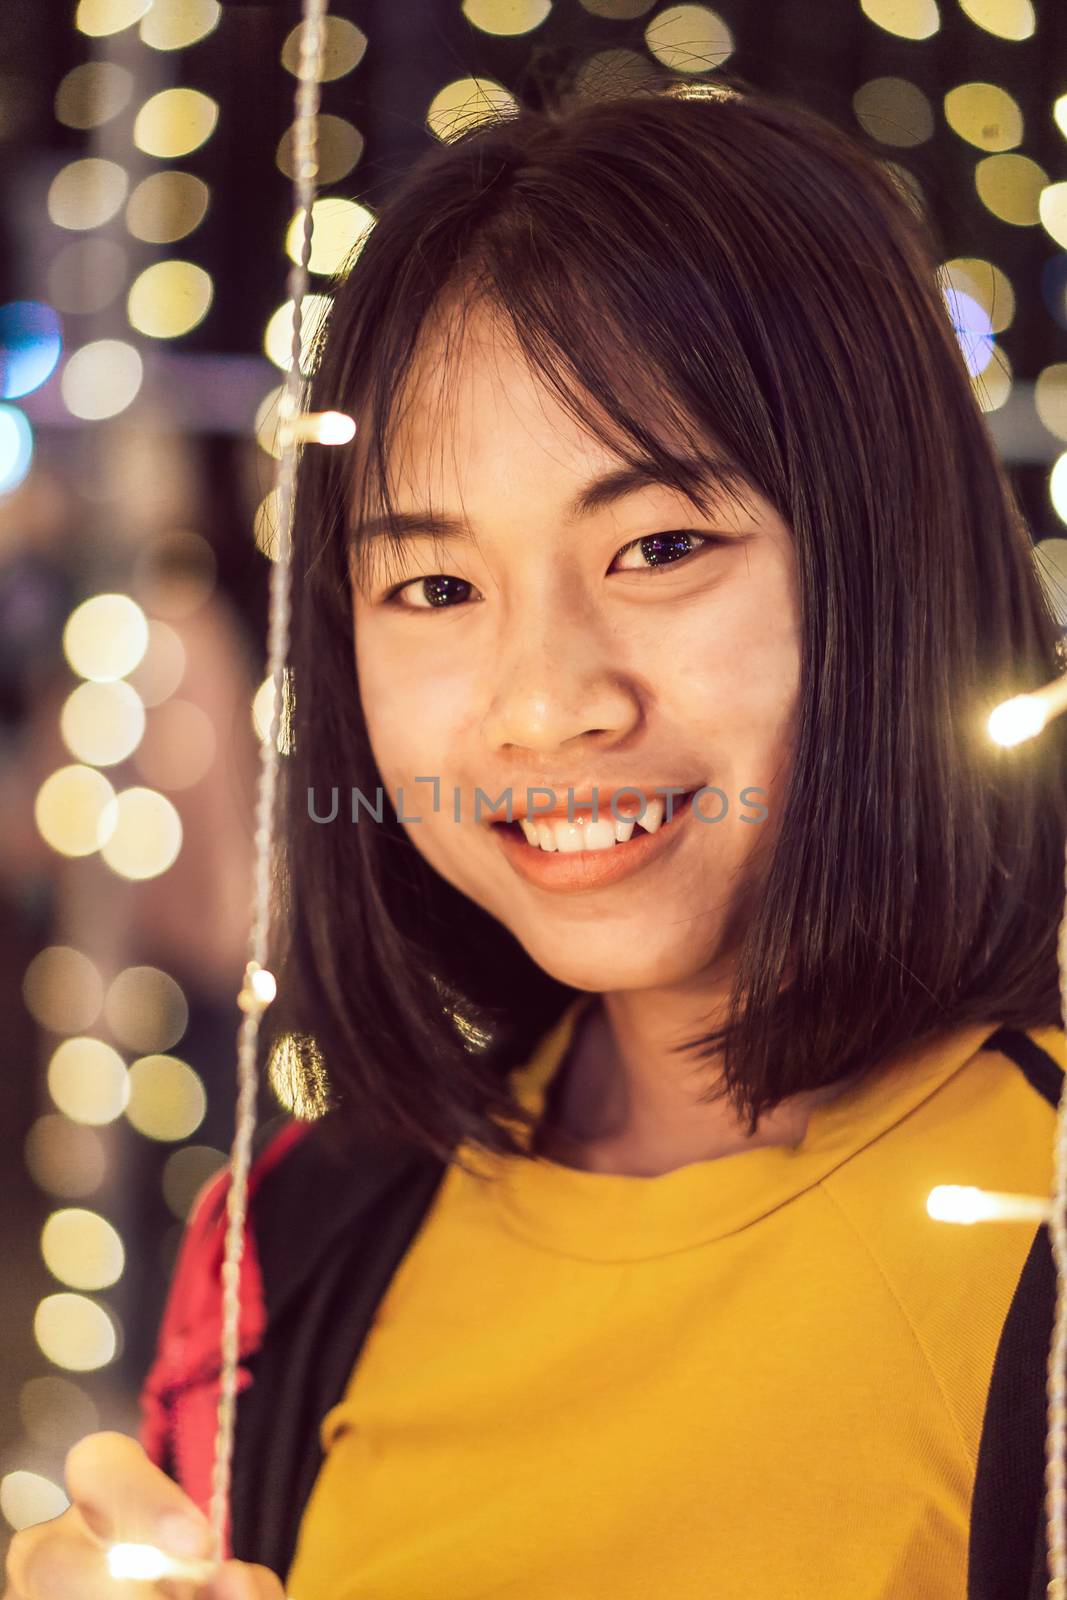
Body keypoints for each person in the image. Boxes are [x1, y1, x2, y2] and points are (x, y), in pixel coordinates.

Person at [6, 70, 1067, 1600]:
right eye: (435, 588)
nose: (545, 703)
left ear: (891, 558)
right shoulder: (307, 1239)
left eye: (660, 547)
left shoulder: (1033, 1217)